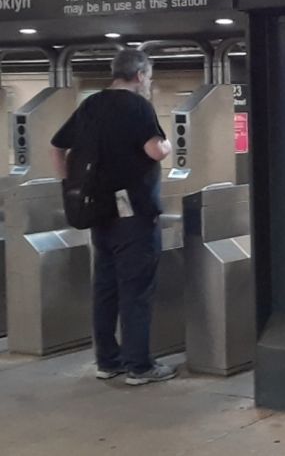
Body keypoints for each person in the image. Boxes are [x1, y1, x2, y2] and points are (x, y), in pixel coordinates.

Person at [51, 49, 177, 386]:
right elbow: (154, 150)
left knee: (105, 287)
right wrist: (167, 147)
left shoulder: (92, 104)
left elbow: (57, 146)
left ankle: (108, 361)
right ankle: (140, 367)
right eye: (149, 77)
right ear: (139, 75)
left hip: (99, 210)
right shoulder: (138, 106)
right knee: (136, 290)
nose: (149, 83)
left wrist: (70, 185)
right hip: (134, 213)